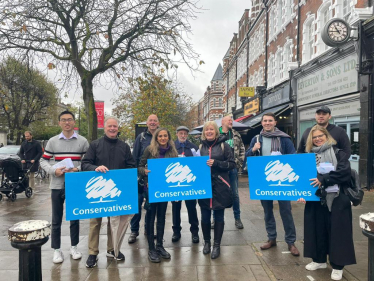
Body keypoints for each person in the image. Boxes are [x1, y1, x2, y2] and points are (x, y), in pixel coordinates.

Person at [297, 125, 355, 281]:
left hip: (337, 198)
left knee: (338, 233)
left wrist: (323, 179)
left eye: (320, 136)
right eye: (314, 137)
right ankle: (319, 260)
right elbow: (302, 178)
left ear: (326, 135)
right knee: (317, 230)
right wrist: (302, 193)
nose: (317, 139)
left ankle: (337, 266)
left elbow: (344, 173)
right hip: (316, 199)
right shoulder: (307, 156)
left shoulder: (339, 153)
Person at [82, 116, 136, 268]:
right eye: (110, 126)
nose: (112, 128)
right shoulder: (95, 145)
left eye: (115, 126)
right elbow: (85, 164)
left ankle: (112, 249)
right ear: (105, 128)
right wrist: (95, 168)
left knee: (115, 221)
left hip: (116, 190)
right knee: (95, 222)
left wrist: (123, 175)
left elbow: (131, 165)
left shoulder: (124, 147)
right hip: (98, 190)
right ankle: (93, 253)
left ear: (118, 129)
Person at [246, 112, 300, 256]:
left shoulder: (284, 139)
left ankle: (291, 241)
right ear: (262, 123)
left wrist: (283, 159)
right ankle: (271, 238)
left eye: (270, 121)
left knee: (286, 211)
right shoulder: (256, 139)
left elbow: (293, 157)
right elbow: (247, 157)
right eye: (265, 121)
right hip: (264, 181)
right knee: (267, 211)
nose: (267, 123)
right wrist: (253, 149)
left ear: (275, 122)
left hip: (281, 180)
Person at [40, 110, 89, 264]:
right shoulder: (52, 141)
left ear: (74, 122)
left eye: (69, 120)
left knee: (74, 217)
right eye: (63, 120)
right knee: (56, 219)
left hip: (75, 184)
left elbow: (87, 162)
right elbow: (43, 161)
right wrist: (54, 170)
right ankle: (56, 249)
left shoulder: (82, 141)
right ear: (59, 123)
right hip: (56, 184)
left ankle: (74, 247)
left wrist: (77, 169)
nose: (67, 122)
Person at [138, 128, 178, 263]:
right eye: (160, 136)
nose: (162, 138)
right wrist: (145, 172)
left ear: (168, 137)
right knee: (150, 218)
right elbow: (140, 166)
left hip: (165, 189)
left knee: (161, 217)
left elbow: (176, 168)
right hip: (151, 189)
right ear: (156, 138)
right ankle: (151, 248)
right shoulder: (149, 150)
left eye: (165, 136)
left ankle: (159, 245)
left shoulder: (173, 151)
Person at [198, 121, 235, 259]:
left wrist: (217, 163)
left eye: (211, 129)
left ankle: (217, 245)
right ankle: (207, 243)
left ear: (216, 131)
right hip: (204, 186)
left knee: (219, 216)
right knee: (205, 216)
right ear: (204, 132)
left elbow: (232, 164)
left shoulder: (224, 146)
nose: (209, 132)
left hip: (220, 185)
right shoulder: (200, 147)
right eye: (207, 130)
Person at [128, 114, 159, 244]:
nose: (152, 123)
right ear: (147, 123)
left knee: (151, 205)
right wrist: (138, 173)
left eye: (155, 121)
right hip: (141, 177)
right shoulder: (140, 138)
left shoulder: (161, 136)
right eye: (150, 120)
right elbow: (134, 158)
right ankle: (134, 230)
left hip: (156, 178)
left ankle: (148, 228)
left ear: (158, 123)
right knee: (137, 203)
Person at [215, 115, 245, 229]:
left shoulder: (236, 134)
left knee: (235, 194)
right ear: (222, 122)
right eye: (229, 120)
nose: (231, 121)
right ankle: (215, 219)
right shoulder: (216, 134)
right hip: (219, 168)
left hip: (232, 168)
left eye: (231, 120)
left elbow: (242, 149)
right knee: (217, 193)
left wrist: (238, 164)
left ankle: (237, 218)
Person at [171, 126, 200, 243]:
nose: (183, 135)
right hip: (176, 182)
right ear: (177, 134)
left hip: (189, 183)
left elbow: (198, 164)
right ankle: (176, 231)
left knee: (191, 207)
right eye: (181, 133)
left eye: (185, 134)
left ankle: (195, 231)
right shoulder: (171, 147)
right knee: (176, 208)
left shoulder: (193, 147)